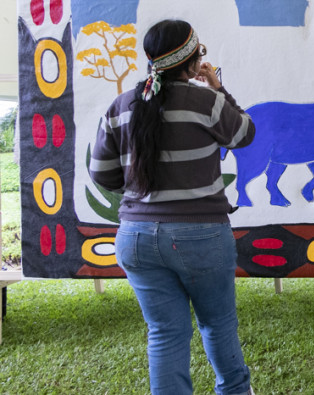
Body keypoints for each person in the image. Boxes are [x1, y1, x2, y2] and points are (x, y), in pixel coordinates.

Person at [89, 20, 256, 395]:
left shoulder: (120, 106)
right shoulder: (208, 102)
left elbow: (101, 173)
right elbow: (245, 134)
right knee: (218, 325)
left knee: (165, 333)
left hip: (135, 238)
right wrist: (218, 87)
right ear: (194, 60)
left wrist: (139, 193)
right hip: (202, 236)